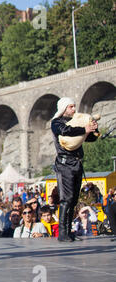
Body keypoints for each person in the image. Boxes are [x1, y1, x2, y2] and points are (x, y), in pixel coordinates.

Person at [51, 97, 98, 242]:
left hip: (76, 163)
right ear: (64, 108)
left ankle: (69, 231)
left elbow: (87, 138)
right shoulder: (57, 122)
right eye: (71, 106)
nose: (74, 109)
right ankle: (63, 233)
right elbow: (66, 131)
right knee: (67, 198)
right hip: (65, 164)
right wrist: (84, 129)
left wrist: (92, 130)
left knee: (74, 199)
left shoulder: (77, 122)